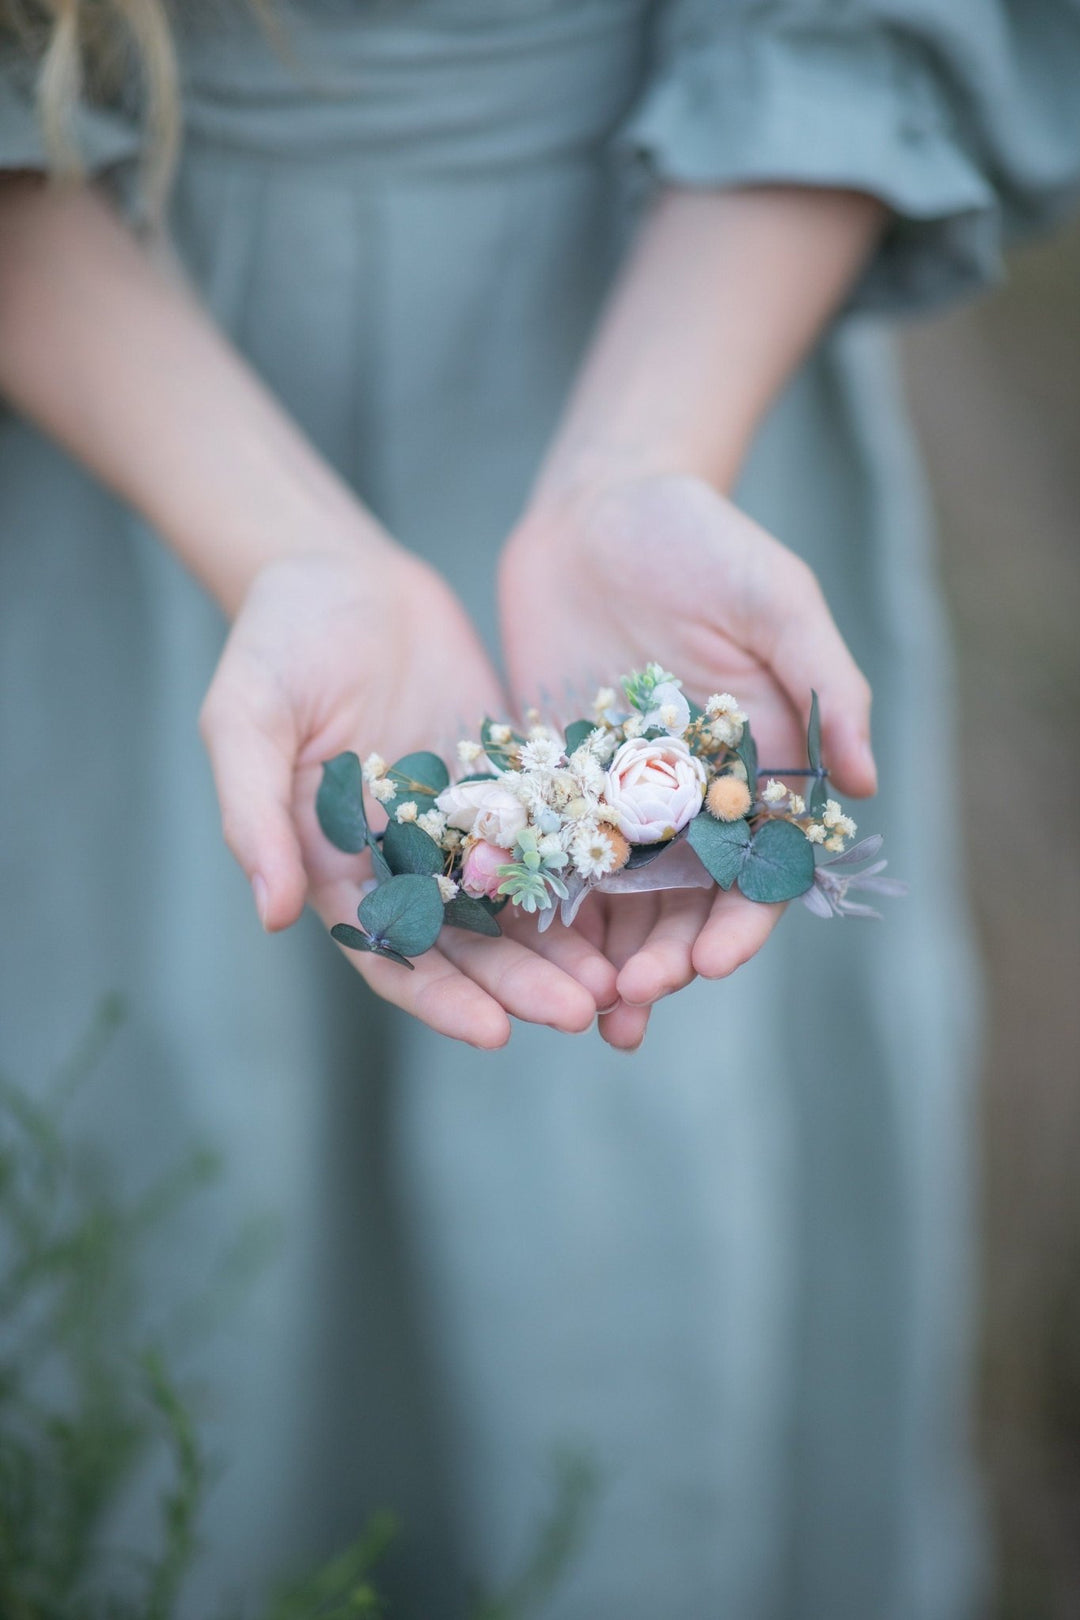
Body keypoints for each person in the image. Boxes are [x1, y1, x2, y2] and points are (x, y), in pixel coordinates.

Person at [1, 1, 1077, 1614]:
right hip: (123, 433)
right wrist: (286, 546)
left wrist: (639, 465)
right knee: (178, 1168)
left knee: (630, 1229)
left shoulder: (668, 744)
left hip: (681, 345)